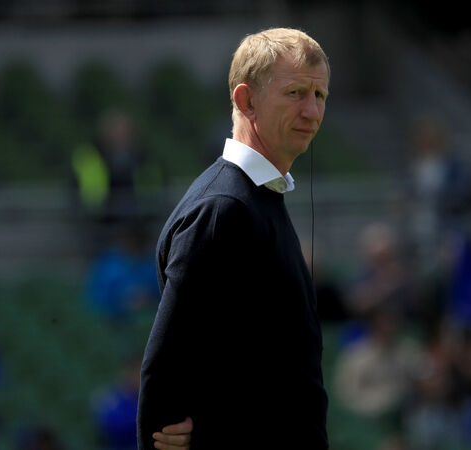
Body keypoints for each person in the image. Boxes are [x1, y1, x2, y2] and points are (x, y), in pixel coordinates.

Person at [137, 28, 330, 450]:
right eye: (296, 93)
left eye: (319, 96)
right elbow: (166, 371)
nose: (312, 111)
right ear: (247, 101)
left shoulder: (257, 199)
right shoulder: (224, 209)